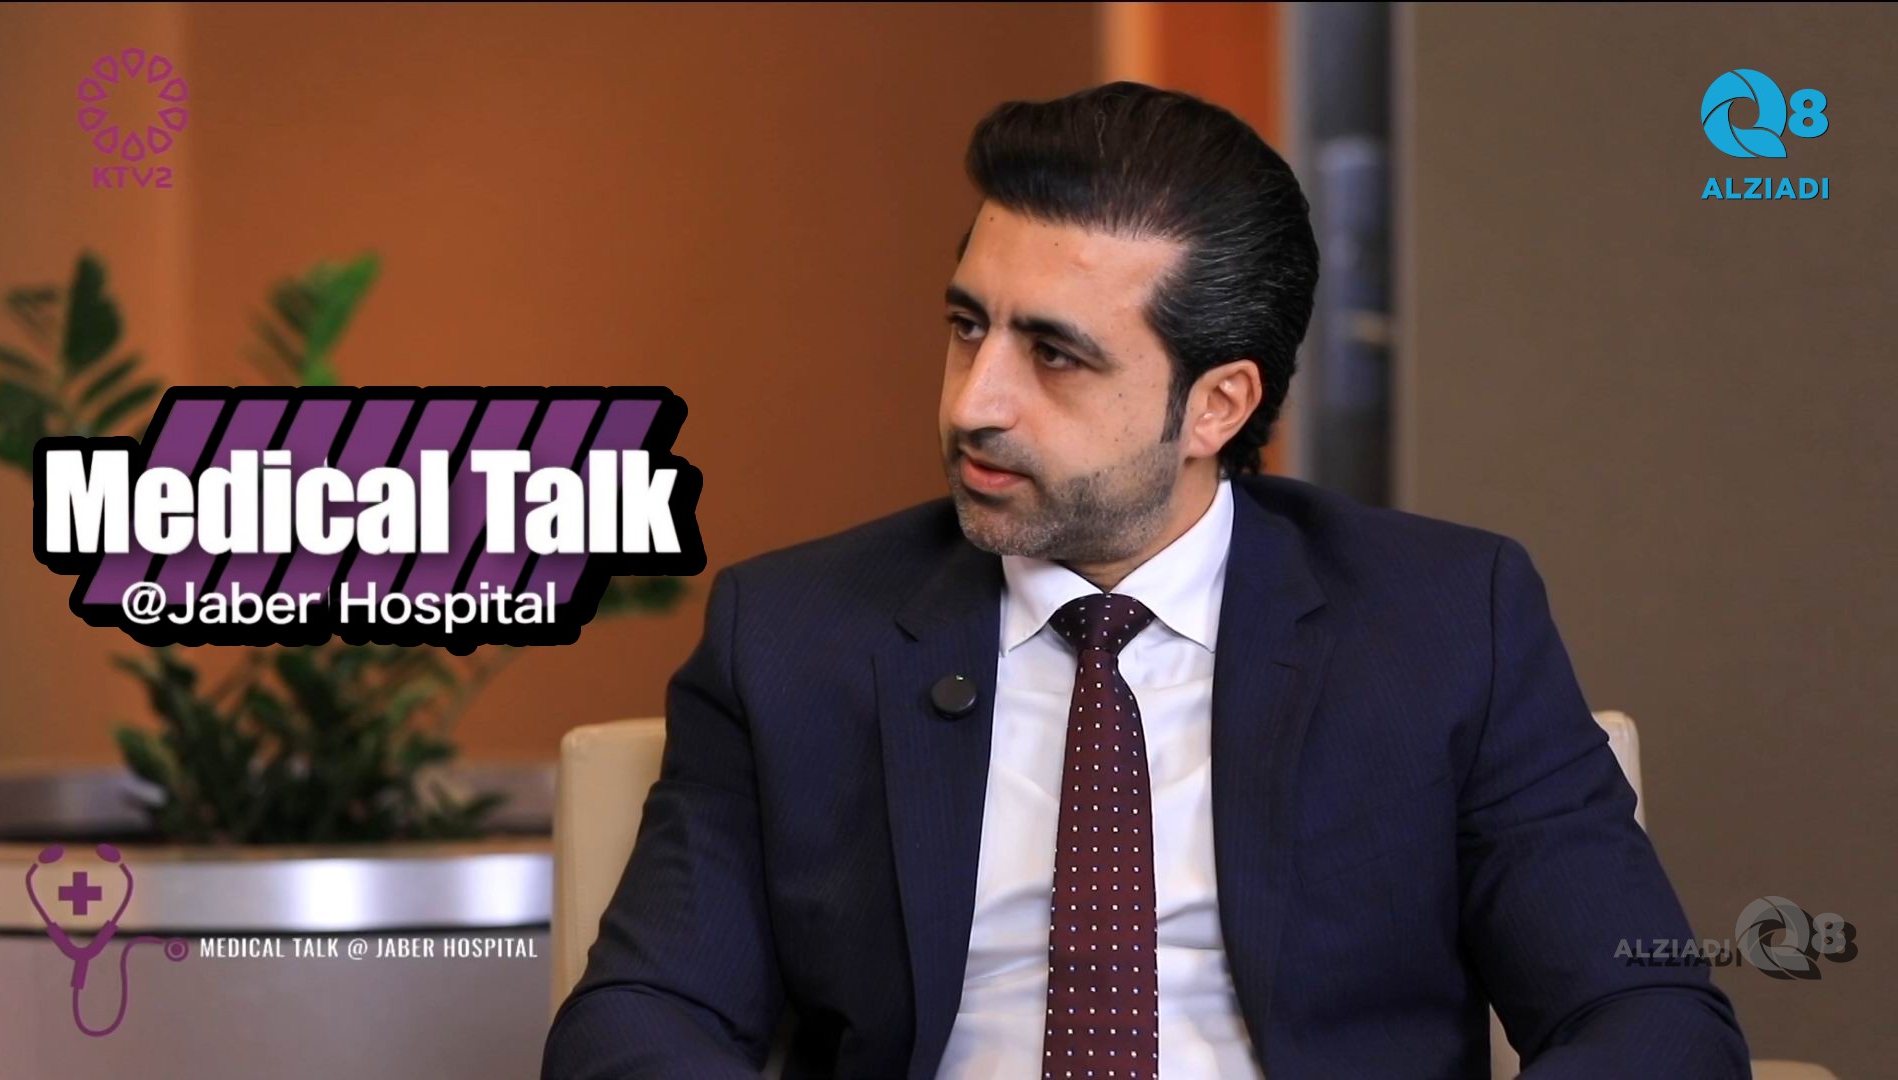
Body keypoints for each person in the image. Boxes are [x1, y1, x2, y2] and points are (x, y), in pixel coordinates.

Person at [542, 81, 1749, 1079]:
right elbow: (640, 1021)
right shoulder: (793, 635)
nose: (975, 402)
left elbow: (1646, 1016)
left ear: (1216, 405)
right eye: (967, 326)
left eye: (1055, 355)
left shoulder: (1443, 622)